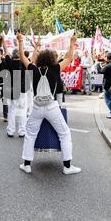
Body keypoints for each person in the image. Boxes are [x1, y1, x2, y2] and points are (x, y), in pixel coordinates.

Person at [17, 32, 81, 175]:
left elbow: (22, 57)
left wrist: (20, 41)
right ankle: (67, 166)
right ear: (52, 59)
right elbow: (70, 57)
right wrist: (72, 42)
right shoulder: (55, 68)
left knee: (30, 134)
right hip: (52, 107)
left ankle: (26, 164)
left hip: (36, 107)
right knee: (64, 133)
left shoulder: (33, 69)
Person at [2, 41, 30, 138]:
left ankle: (10, 131)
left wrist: (3, 39)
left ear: (12, 55)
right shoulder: (24, 63)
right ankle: (22, 131)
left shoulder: (9, 62)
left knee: (12, 110)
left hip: (12, 89)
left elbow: (5, 51)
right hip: (22, 89)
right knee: (22, 111)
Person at [96, 52, 111, 119]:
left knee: (107, 99)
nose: (104, 59)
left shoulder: (109, 66)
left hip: (108, 85)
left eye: (105, 57)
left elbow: (100, 71)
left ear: (107, 58)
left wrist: (97, 65)